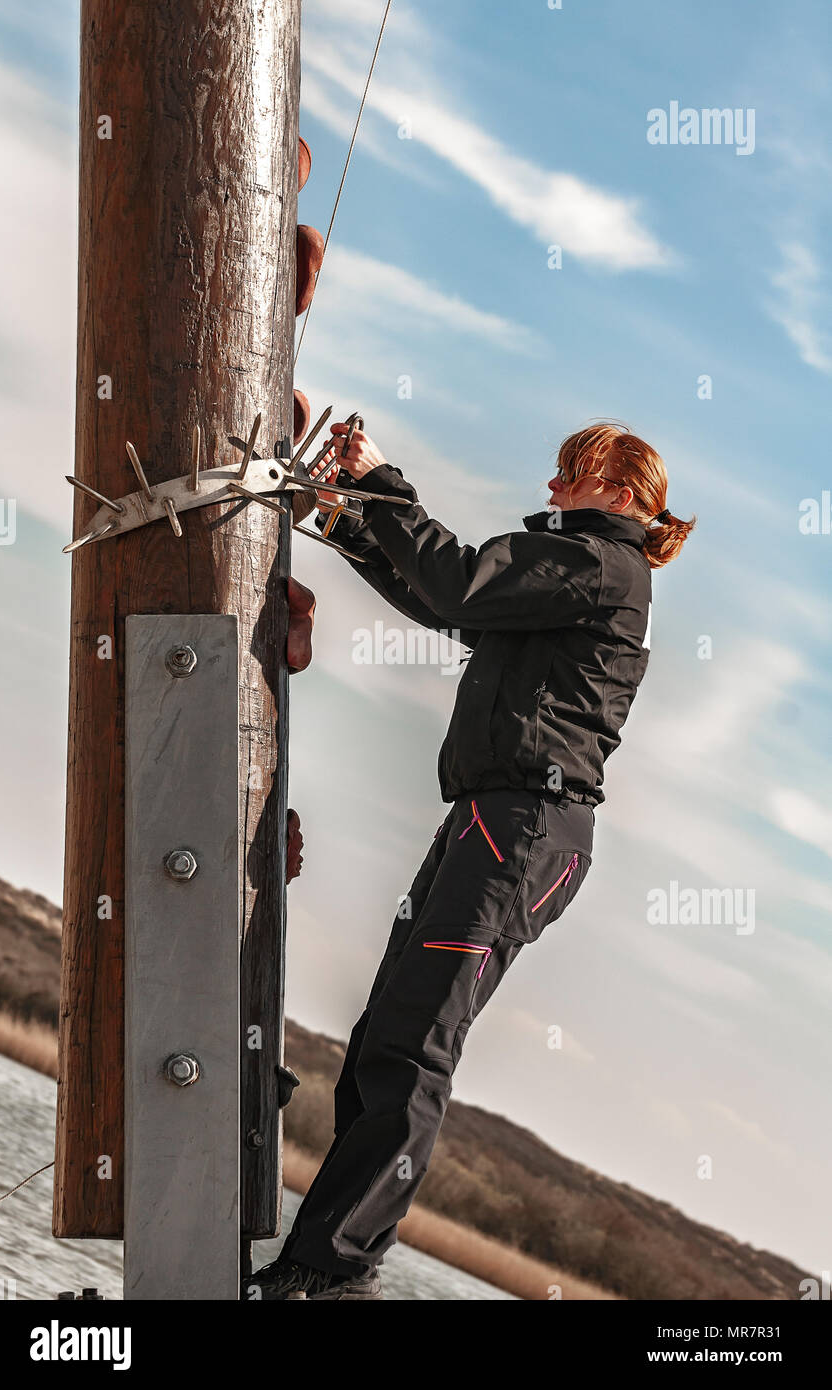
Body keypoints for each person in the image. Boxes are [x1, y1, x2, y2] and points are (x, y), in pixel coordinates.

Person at [245, 420, 695, 1300]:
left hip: (523, 829)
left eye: (577, 468)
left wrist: (381, 482)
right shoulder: (573, 574)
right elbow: (447, 604)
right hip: (493, 824)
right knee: (384, 1041)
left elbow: (459, 583)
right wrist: (348, 524)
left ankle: (328, 1275)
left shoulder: (604, 566)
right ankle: (329, 1267)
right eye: (561, 464)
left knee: (412, 1051)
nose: (557, 479)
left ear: (627, 493)